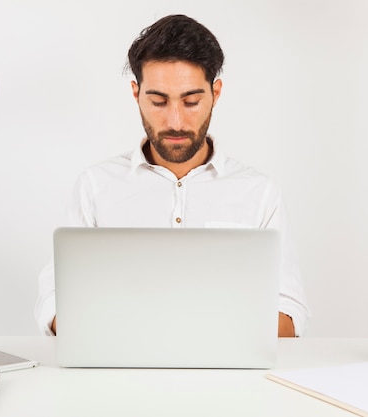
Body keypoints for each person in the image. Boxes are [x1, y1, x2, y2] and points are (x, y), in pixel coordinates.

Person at [35, 14, 309, 337]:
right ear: (136, 93)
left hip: (228, 380)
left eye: (191, 101)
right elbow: (53, 300)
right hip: (117, 374)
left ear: (215, 94)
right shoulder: (95, 187)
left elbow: (289, 313)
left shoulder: (260, 193)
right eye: (159, 101)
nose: (176, 121)